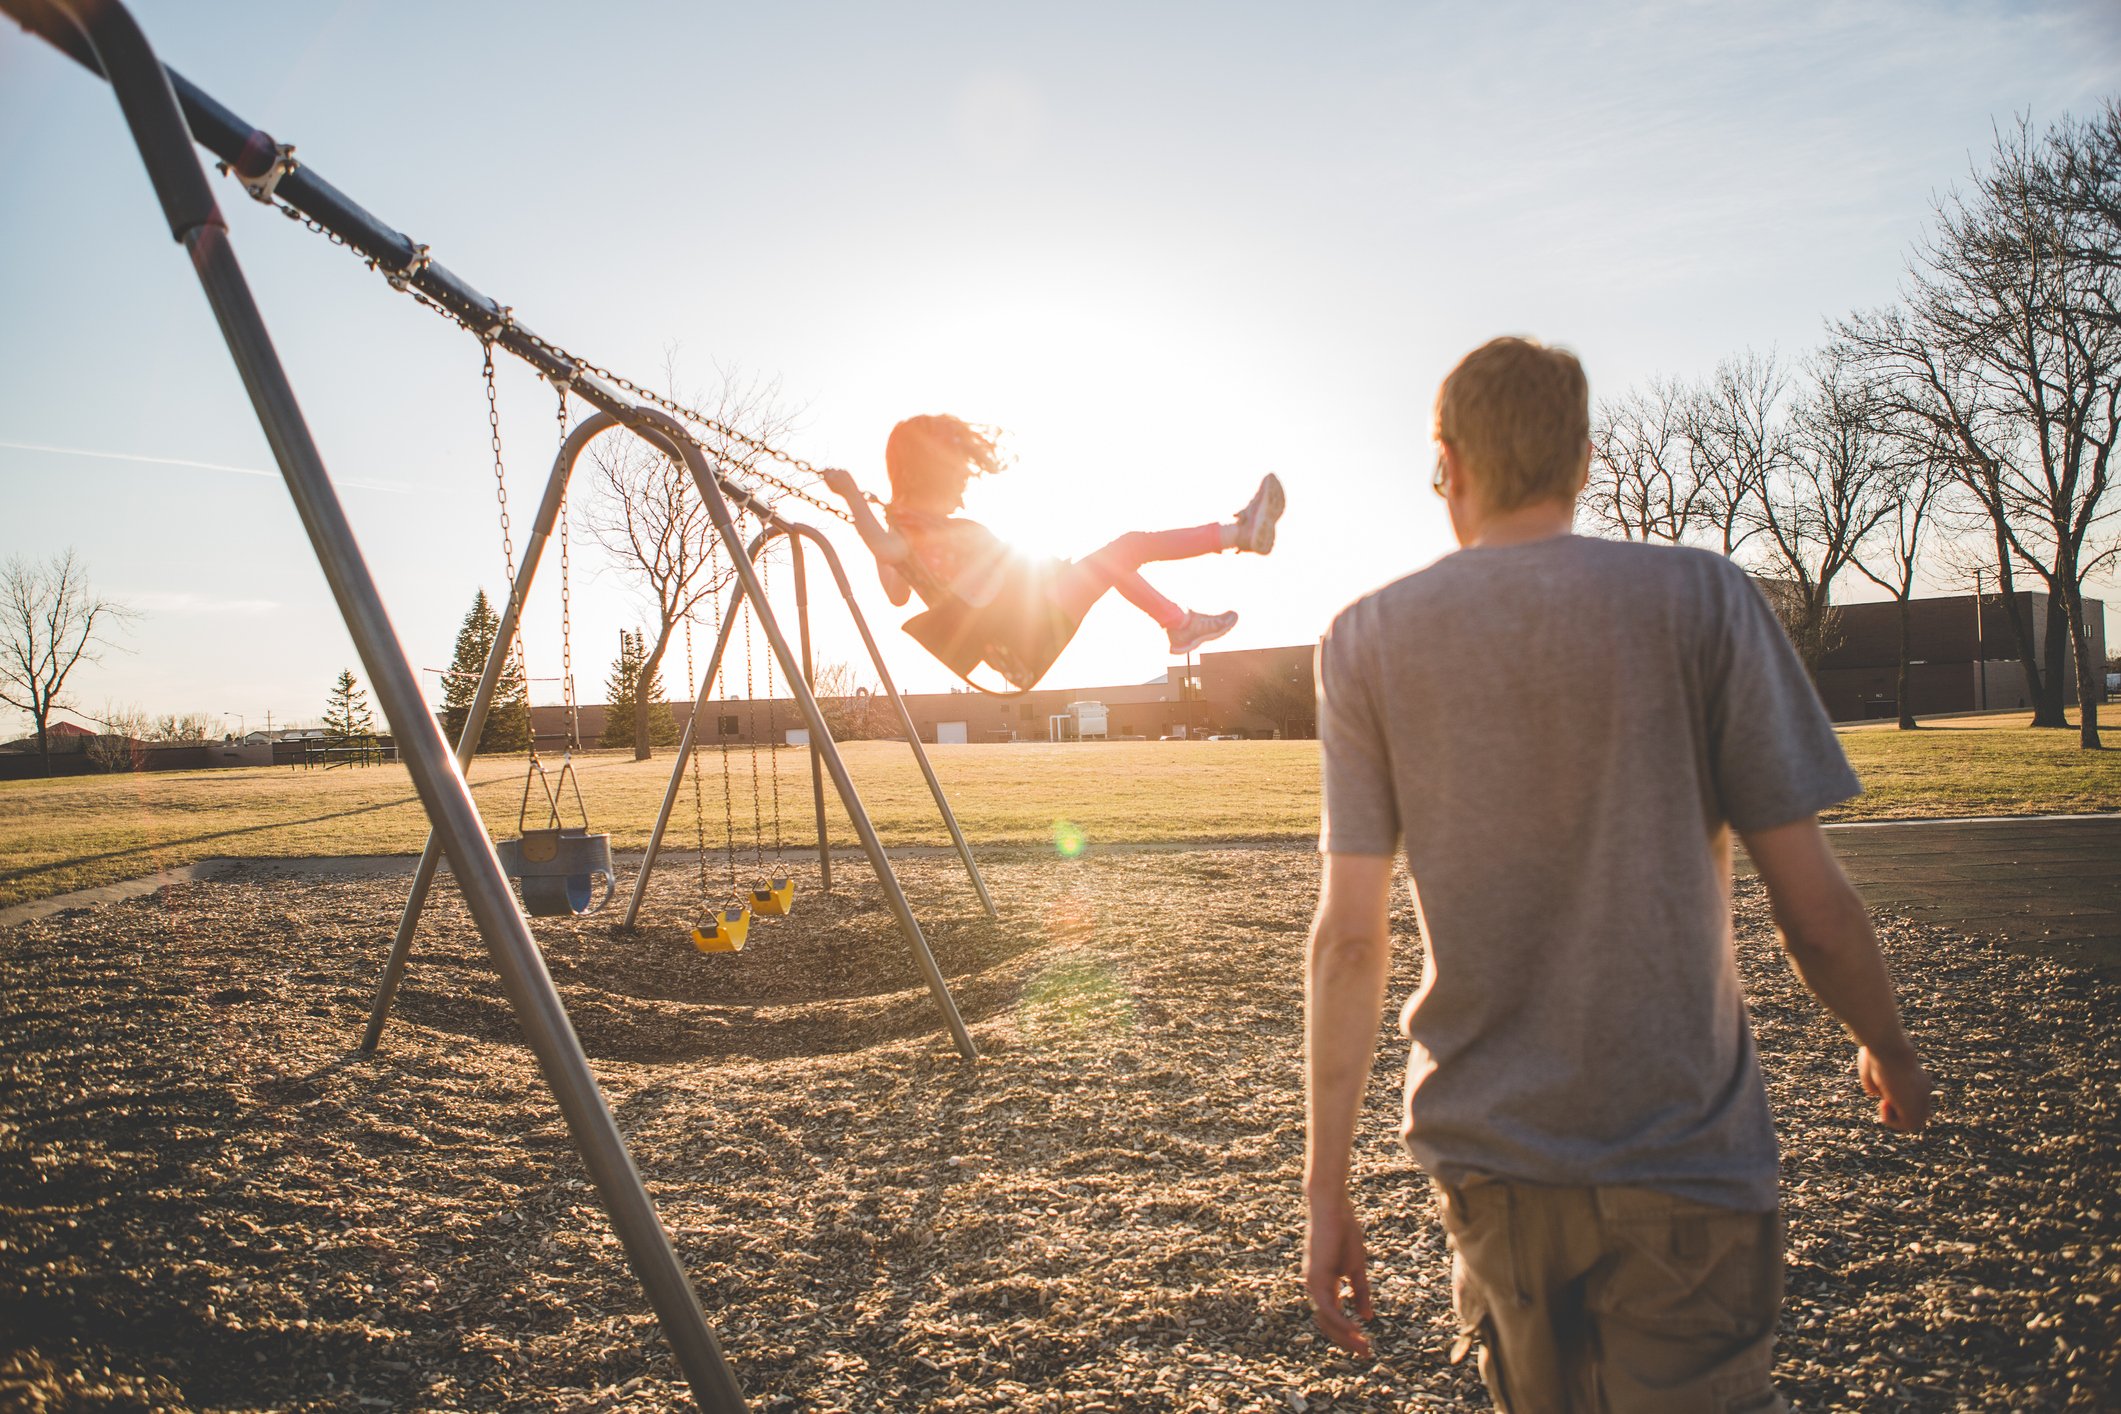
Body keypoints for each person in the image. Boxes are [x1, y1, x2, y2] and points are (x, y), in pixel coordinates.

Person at [1302, 336, 1934, 1412]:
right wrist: (1890, 1046)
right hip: (1683, 1150)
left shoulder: (1367, 637)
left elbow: (1351, 938)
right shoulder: (1702, 599)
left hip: (1493, 1160)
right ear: (1584, 460)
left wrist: (1326, 1188)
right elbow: (1811, 907)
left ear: (1447, 462)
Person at [820, 415, 1284, 689]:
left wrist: (877, 525)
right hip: (1021, 639)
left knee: (1119, 555)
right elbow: (893, 578)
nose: (964, 485)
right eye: (957, 473)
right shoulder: (905, 534)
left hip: (1026, 624)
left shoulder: (920, 530)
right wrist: (855, 501)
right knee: (1123, 551)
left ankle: (1186, 617)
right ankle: (1231, 546)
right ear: (931, 473)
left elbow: (896, 587)